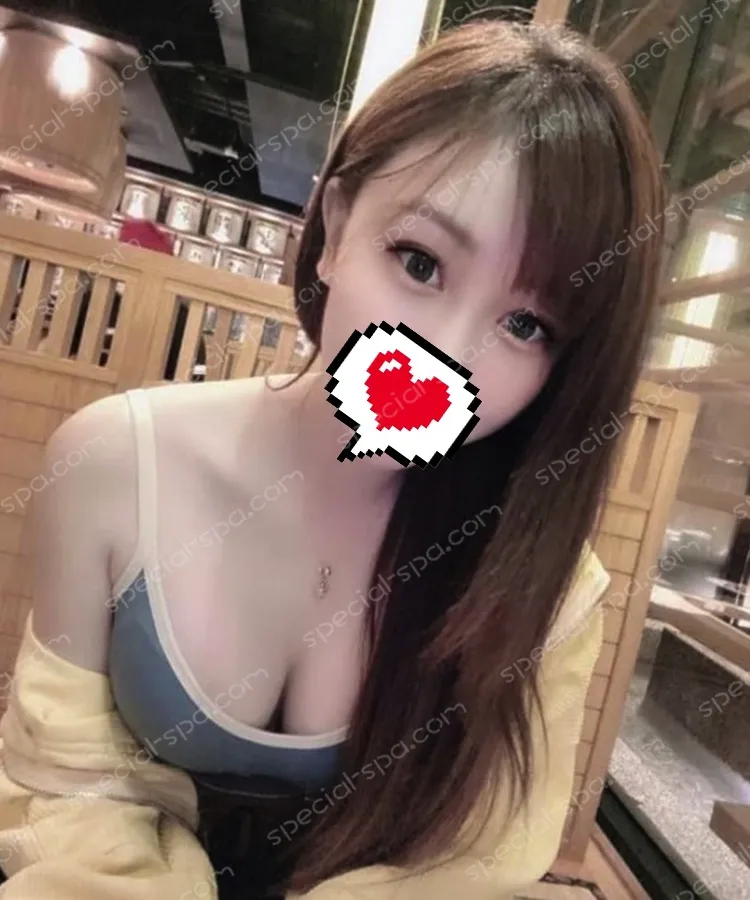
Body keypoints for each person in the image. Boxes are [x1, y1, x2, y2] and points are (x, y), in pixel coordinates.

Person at [0, 18, 664, 900]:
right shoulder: (113, 464)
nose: (443, 358)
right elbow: (62, 782)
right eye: (419, 262)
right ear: (337, 223)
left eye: (524, 324)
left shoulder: (549, 590)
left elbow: (476, 864)